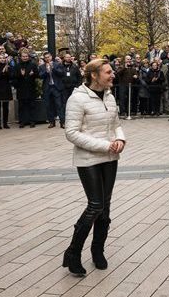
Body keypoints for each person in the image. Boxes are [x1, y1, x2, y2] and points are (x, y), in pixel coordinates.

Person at [63, 58, 126, 276]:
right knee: (95, 205)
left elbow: (116, 124)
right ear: (94, 75)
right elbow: (71, 133)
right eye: (108, 72)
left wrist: (120, 140)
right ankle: (73, 253)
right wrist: (106, 145)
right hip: (88, 159)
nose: (113, 75)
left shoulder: (109, 96)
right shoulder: (77, 99)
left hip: (110, 158)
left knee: (105, 208)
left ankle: (97, 250)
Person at [38, 52, 66, 128]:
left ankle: (62, 122)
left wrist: (53, 68)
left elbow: (62, 73)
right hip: (47, 88)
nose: (47, 58)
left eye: (48, 57)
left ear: (51, 56)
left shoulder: (57, 64)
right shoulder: (42, 66)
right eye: (45, 57)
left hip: (56, 87)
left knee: (59, 105)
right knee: (48, 106)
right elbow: (40, 76)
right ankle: (51, 122)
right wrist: (46, 71)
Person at [13, 49, 38, 128]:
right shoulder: (17, 66)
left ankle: (32, 121)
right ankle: (22, 122)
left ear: (28, 57)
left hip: (31, 88)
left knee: (32, 105)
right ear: (21, 57)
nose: (25, 58)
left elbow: (37, 75)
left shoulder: (33, 65)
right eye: (23, 56)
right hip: (21, 89)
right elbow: (14, 77)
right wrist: (21, 75)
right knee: (21, 106)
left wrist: (33, 74)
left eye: (26, 56)